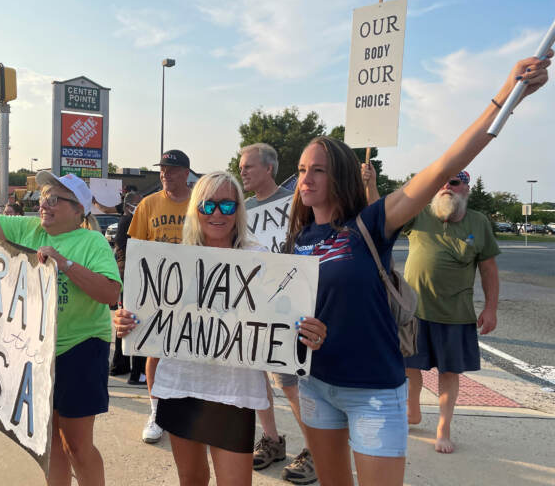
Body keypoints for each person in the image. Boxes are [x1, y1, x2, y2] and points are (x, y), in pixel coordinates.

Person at [282, 53, 549, 486]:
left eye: (318, 170)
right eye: (301, 170)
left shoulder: (370, 223)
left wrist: (509, 93)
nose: (306, 179)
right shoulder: (296, 241)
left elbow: (444, 164)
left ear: (341, 176)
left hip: (372, 389)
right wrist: (303, 329)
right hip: (316, 386)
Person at [114, 171, 326, 486]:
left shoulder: (259, 258)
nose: (217, 213)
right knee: (192, 479)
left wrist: (308, 332)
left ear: (238, 211)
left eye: (227, 206)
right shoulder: (170, 260)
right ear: (195, 209)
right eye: (208, 205)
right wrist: (125, 322)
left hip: (234, 393)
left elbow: (284, 321)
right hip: (181, 387)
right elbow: (150, 317)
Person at [0, 168, 121, 486]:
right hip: (38, 349)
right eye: (43, 197)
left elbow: (111, 293)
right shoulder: (29, 228)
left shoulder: (92, 242)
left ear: (77, 211)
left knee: (77, 445)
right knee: (50, 443)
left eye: (56, 198)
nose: (45, 204)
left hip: (82, 346)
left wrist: (66, 265)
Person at [365, 168, 500, 454]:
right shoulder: (420, 214)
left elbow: (488, 269)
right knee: (409, 365)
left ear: (465, 187)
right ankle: (412, 412)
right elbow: (382, 214)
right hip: (413, 311)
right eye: (440, 183)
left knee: (449, 372)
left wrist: (490, 308)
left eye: (453, 182)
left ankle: (443, 428)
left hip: (456, 314)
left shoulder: (479, 222)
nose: (445, 187)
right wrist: (371, 185)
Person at [240, 143, 316, 484]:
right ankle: (271, 440)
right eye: (241, 167)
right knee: (256, 375)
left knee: (289, 381)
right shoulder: (243, 208)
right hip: (255, 303)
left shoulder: (295, 203)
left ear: (269, 168)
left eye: (248, 167)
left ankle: (317, 448)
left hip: (289, 303)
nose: (242, 172)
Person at [127, 149, 192, 443]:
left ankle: (189, 411)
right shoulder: (148, 204)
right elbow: (136, 250)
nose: (165, 173)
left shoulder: (199, 203)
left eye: (172, 169)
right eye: (163, 169)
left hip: (193, 290)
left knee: (192, 350)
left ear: (186, 173)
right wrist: (132, 291)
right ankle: (156, 412)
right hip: (157, 289)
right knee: (156, 350)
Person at [109, 191, 146, 384]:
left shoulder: (124, 221)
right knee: (134, 320)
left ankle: (119, 364)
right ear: (130, 206)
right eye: (138, 204)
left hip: (126, 273)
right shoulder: (129, 222)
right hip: (130, 274)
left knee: (126, 322)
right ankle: (135, 372)